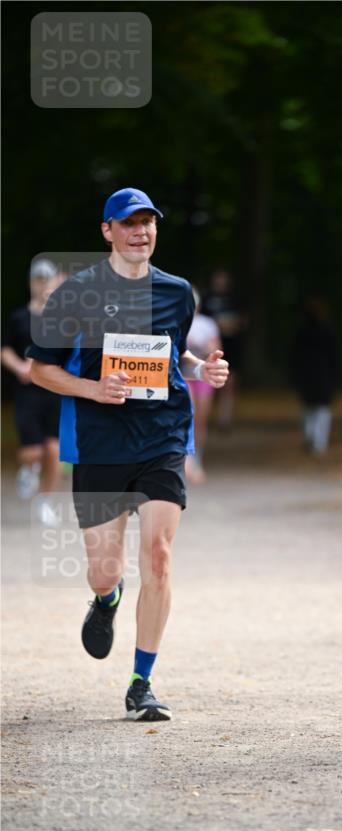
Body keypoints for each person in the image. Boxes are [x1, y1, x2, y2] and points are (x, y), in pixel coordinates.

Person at [28, 187, 228, 722]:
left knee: (159, 556)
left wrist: (201, 368)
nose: (140, 231)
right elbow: (39, 368)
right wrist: (94, 390)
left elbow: (172, 353)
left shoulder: (177, 291)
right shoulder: (75, 294)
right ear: (107, 231)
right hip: (100, 442)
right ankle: (106, 600)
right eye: (129, 223)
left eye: (148, 222)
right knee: (104, 570)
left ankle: (142, 681)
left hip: (162, 437)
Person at [1, 259, 63, 524]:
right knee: (33, 451)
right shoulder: (18, 317)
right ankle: (28, 469)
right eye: (38, 279)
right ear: (31, 282)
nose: (42, 284)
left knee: (53, 450)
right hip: (28, 391)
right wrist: (19, 368)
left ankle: (46, 502)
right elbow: (5, 350)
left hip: (54, 389)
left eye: (46, 279)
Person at [184, 288, 223, 484]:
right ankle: (188, 460)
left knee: (201, 419)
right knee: (188, 416)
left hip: (203, 376)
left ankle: (198, 457)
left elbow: (216, 348)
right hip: (184, 375)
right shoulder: (177, 320)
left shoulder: (207, 324)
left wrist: (203, 346)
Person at [292, 295, 338, 455]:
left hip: (309, 375)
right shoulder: (327, 331)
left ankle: (313, 438)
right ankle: (318, 442)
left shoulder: (302, 332)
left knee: (310, 407)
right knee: (321, 408)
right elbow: (335, 356)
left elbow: (295, 356)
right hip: (322, 375)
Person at [201, 268, 244, 430]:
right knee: (210, 381)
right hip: (210, 349)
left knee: (230, 383)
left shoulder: (235, 299)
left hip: (232, 347)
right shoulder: (207, 299)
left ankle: (224, 419)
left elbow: (242, 321)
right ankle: (205, 414)